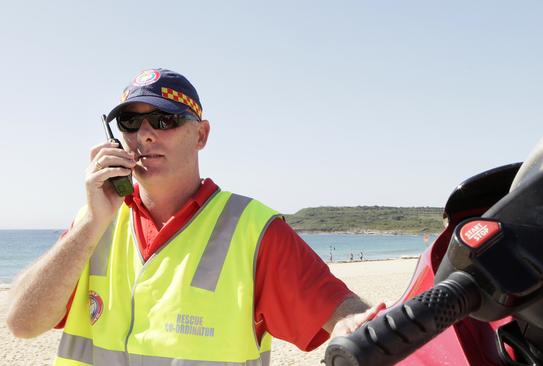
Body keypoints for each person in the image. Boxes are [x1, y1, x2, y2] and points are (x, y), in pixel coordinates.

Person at [5, 68, 384, 365]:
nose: (146, 134)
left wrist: (352, 325)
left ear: (201, 135)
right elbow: (22, 324)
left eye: (164, 119)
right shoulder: (94, 222)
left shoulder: (253, 229)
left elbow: (344, 314)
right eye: (131, 123)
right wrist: (89, 224)